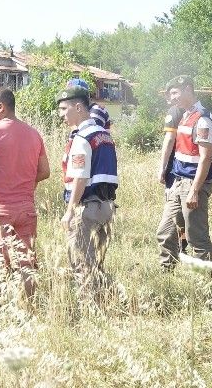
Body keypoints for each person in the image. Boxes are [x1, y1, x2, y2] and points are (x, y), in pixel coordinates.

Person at [0, 88, 50, 297]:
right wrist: (26, 183)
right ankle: (29, 305)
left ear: (1, 107)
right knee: (26, 263)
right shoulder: (34, 134)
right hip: (26, 209)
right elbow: (45, 171)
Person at [57, 86, 118, 300]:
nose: (61, 114)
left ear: (78, 107)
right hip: (107, 206)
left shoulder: (82, 138)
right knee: (97, 263)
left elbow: (80, 178)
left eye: (64, 109)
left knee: (82, 262)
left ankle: (90, 306)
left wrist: (69, 211)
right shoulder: (105, 135)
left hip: (87, 208)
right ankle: (105, 300)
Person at [156, 75, 212, 268]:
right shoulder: (185, 115)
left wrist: (194, 190)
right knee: (165, 232)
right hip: (178, 181)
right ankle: (167, 271)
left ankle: (207, 277)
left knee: (196, 236)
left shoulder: (202, 119)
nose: (172, 98)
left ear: (188, 90)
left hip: (193, 183)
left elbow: (205, 158)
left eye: (175, 93)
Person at [156, 89, 189, 254]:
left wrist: (162, 167)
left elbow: (169, 140)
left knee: (175, 213)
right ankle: (183, 246)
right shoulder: (189, 111)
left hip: (174, 169)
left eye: (171, 94)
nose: (169, 98)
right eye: (167, 94)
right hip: (185, 169)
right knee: (183, 214)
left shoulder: (174, 111)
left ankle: (179, 247)